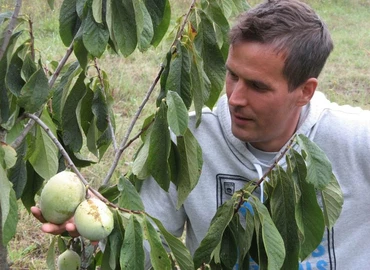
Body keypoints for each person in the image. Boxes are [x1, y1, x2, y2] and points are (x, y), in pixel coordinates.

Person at [32, 0, 370, 269]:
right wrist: (101, 235)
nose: (235, 97)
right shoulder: (189, 137)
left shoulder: (355, 140)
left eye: (257, 86)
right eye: (233, 76)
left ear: (304, 91)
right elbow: (149, 247)